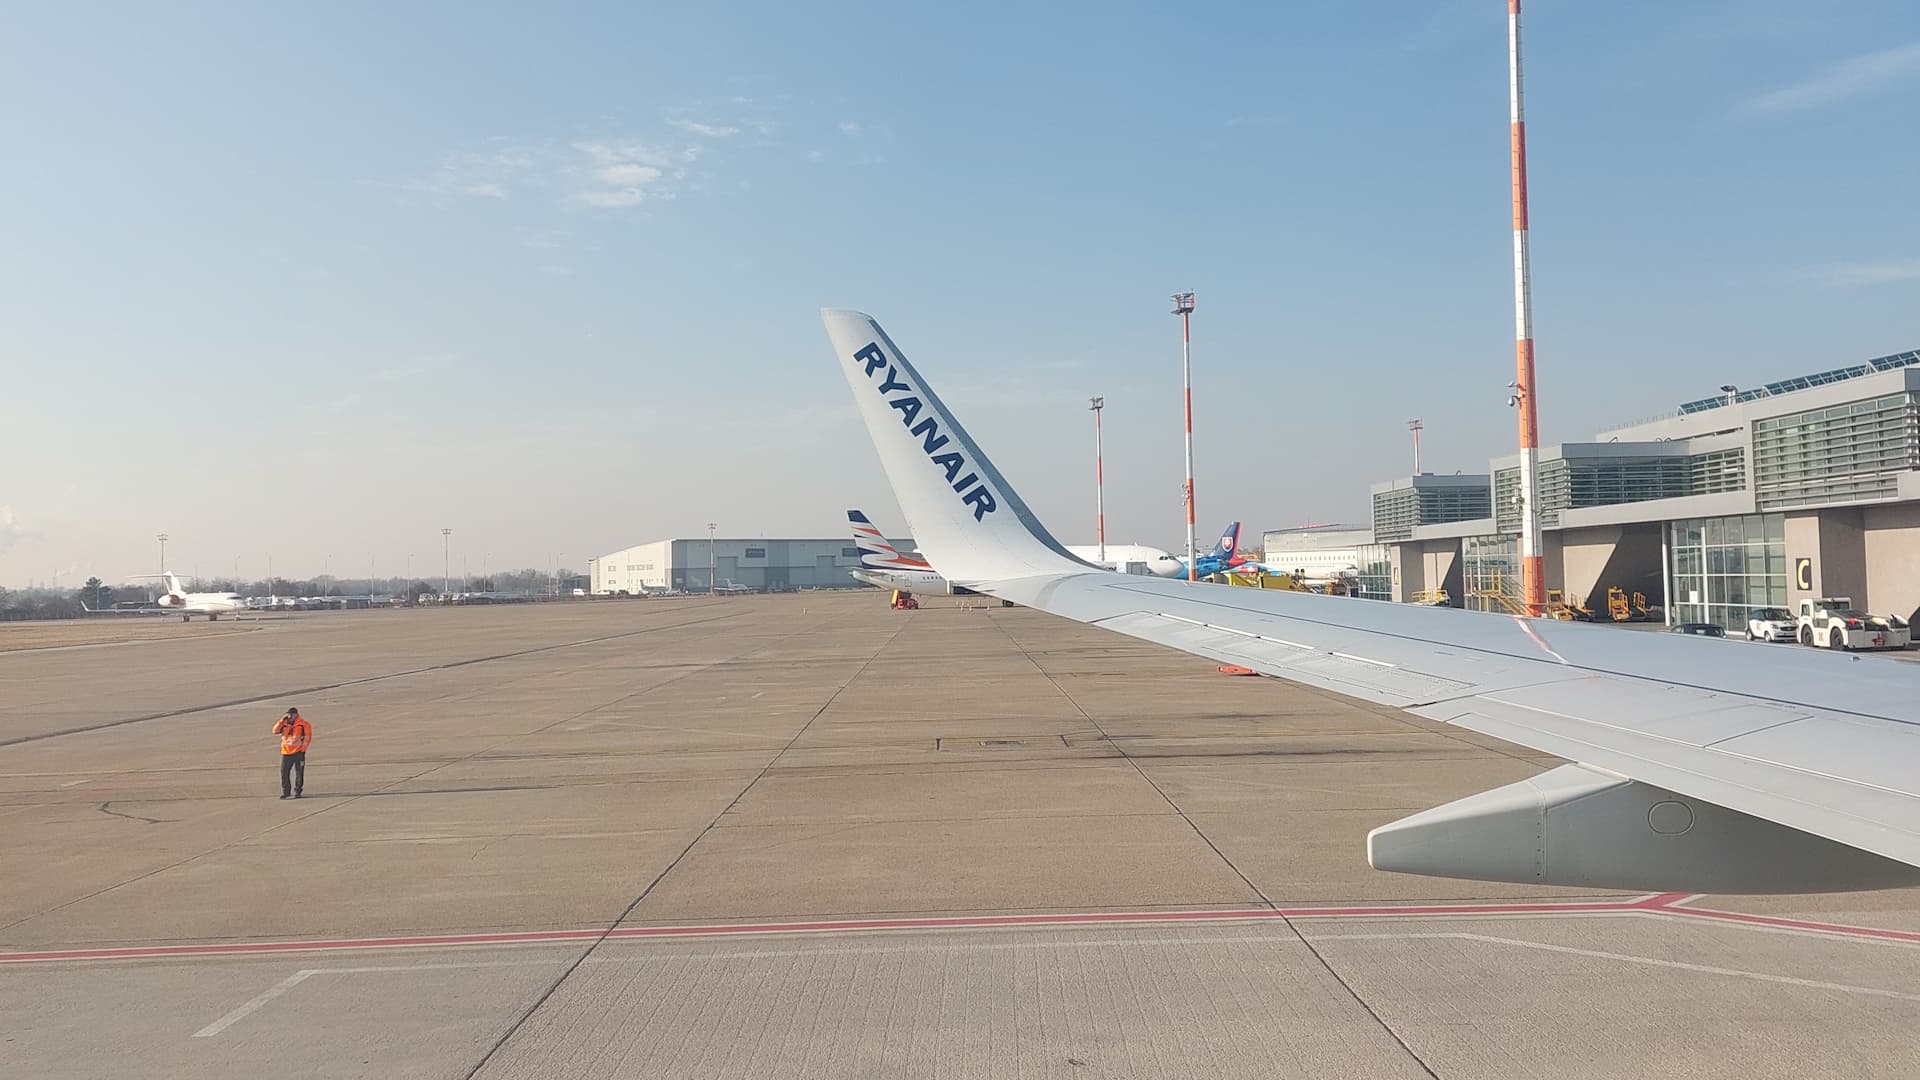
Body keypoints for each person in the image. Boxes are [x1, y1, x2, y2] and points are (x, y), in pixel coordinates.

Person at [272, 707, 313, 799]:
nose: (290, 716)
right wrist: (281, 721)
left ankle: (298, 791)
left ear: (296, 715)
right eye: (288, 714)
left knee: (299, 772)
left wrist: (303, 750)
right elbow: (275, 731)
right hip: (286, 752)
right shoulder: (284, 724)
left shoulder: (303, 724)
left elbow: (307, 738)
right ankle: (286, 791)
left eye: (292, 714)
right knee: (284, 773)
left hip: (298, 752)